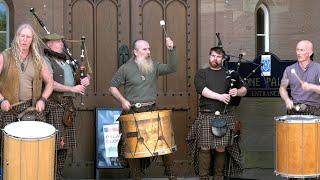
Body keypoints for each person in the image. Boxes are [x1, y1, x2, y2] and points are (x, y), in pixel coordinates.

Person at [109, 37, 177, 180]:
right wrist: (122, 100)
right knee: (132, 146)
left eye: (149, 49)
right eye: (144, 49)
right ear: (135, 52)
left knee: (164, 142)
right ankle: (136, 177)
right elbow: (112, 87)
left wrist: (171, 50)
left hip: (151, 110)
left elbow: (172, 68)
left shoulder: (154, 65)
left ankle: (171, 175)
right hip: (132, 112)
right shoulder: (126, 68)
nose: (148, 52)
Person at [186, 46, 247, 180]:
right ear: (209, 56)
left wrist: (237, 92)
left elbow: (244, 89)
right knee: (205, 147)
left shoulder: (230, 74)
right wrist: (220, 96)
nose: (215, 59)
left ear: (223, 59)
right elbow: (201, 89)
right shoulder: (202, 73)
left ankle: (218, 176)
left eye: (219, 57)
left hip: (225, 115)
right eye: (213, 56)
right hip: (207, 114)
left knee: (221, 147)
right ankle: (204, 177)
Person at [42, 33, 90, 179]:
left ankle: (58, 175)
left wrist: (85, 79)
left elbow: (77, 79)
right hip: (54, 105)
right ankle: (50, 175)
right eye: (57, 42)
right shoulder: (45, 60)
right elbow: (51, 83)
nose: (61, 44)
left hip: (67, 107)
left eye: (61, 42)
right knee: (54, 145)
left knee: (65, 145)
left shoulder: (67, 61)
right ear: (49, 44)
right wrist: (72, 89)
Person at [0, 23, 53, 127]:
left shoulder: (39, 60)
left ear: (32, 40)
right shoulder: (5, 56)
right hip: (9, 109)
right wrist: (1, 100)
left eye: (28, 37)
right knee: (9, 143)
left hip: (31, 110)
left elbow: (50, 82)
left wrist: (43, 99)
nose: (24, 39)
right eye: (22, 36)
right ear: (17, 37)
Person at [279, 40, 320, 115]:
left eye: (302, 50)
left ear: (310, 53)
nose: (298, 53)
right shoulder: (289, 69)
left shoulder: (318, 68)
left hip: (314, 110)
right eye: (297, 50)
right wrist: (287, 100)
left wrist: (311, 86)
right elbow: (282, 88)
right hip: (294, 109)